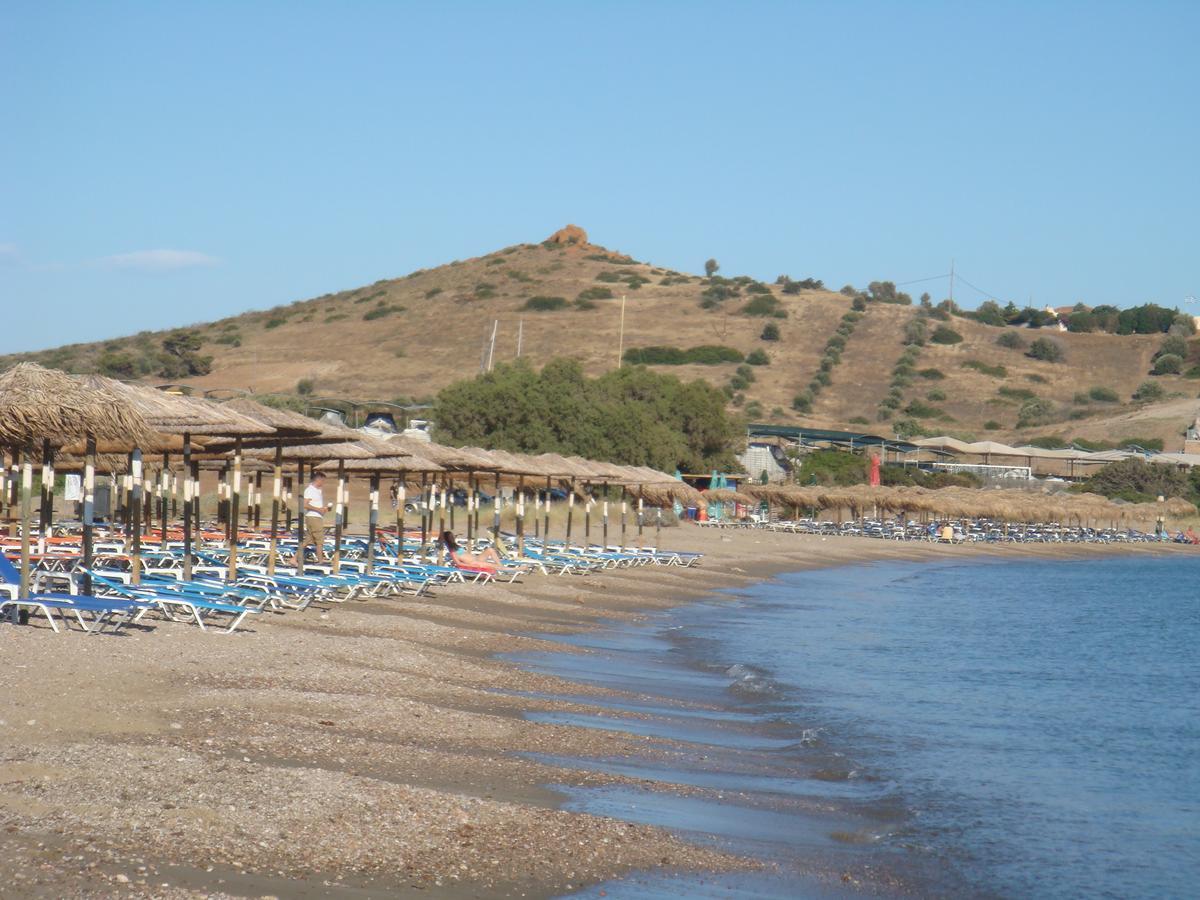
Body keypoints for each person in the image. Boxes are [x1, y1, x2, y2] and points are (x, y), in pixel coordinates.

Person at [295, 472, 332, 566]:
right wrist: (319, 510)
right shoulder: (310, 490)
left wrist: (324, 509)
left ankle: (293, 558)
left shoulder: (317, 491)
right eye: (323, 481)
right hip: (314, 517)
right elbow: (305, 504)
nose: (323, 483)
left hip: (317, 517)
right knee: (319, 540)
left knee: (308, 539)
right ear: (318, 479)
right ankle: (320, 561)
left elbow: (315, 505)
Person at [440, 530, 504, 569]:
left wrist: (458, 534)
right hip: (473, 562)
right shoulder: (452, 550)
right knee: (494, 566)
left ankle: (500, 565)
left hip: (477, 558)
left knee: (490, 550)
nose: (453, 537)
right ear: (448, 539)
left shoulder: (454, 545)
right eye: (452, 536)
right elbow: (458, 563)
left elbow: (450, 538)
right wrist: (470, 565)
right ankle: (511, 570)